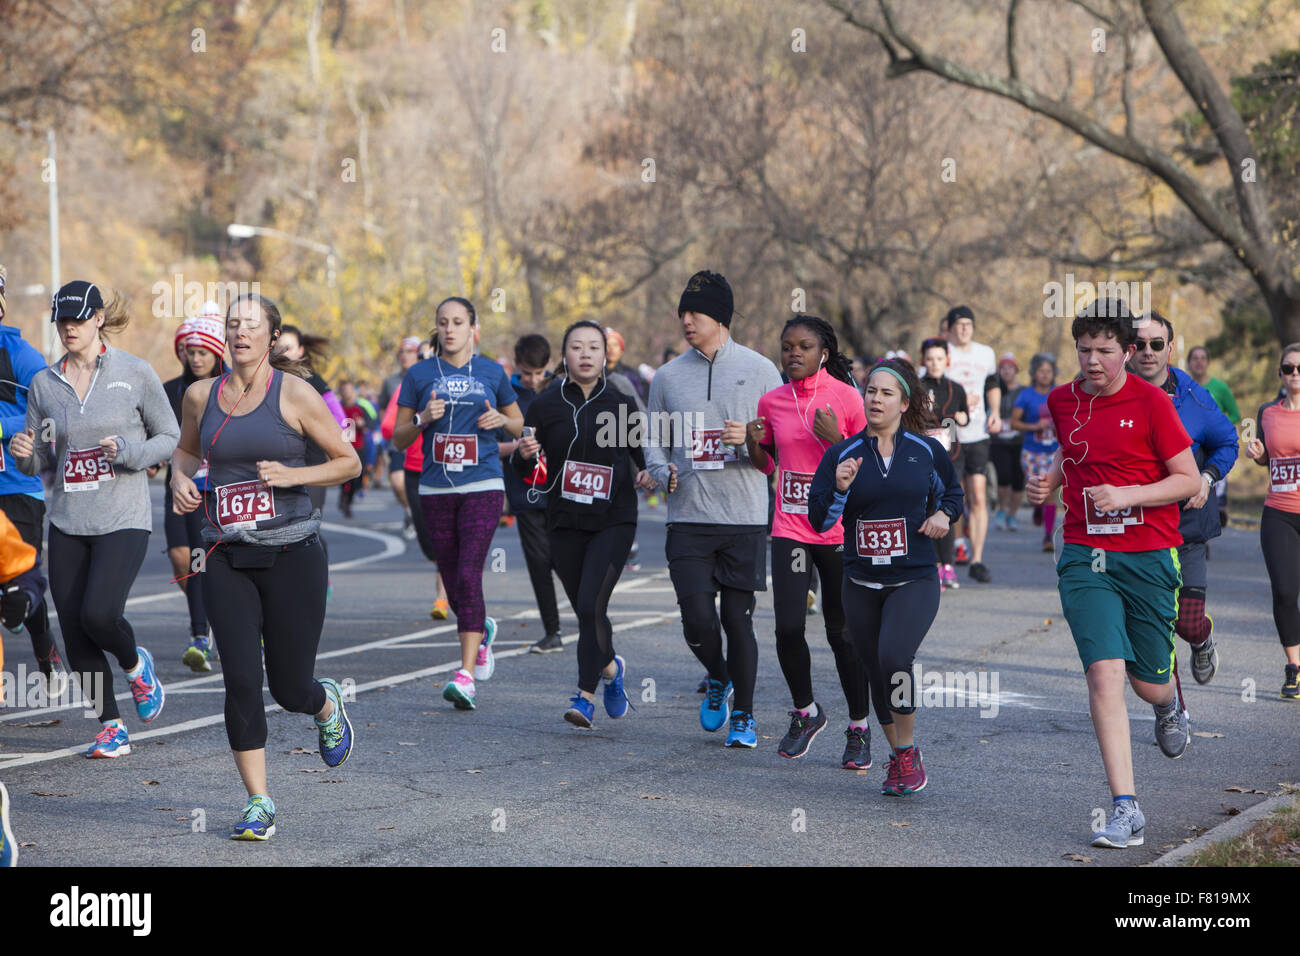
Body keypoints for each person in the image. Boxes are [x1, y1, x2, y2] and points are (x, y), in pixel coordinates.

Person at [170, 292, 359, 840]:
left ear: (272, 337)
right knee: (241, 681)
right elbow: (185, 453)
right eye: (233, 325)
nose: (240, 333)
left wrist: (293, 476)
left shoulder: (296, 393)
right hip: (225, 554)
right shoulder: (201, 396)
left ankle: (324, 705)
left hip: (292, 553)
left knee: (290, 686)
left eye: (252, 326)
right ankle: (259, 801)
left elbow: (349, 461)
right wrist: (182, 479)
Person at [1025, 299, 1201, 849]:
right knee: (1104, 674)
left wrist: (1128, 495)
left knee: (1146, 684)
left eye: (1104, 350)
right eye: (1084, 350)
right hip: (1084, 553)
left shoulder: (1150, 403)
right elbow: (1077, 451)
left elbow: (1188, 480)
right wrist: (1052, 481)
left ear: (1127, 351)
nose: (1093, 361)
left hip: (1148, 552)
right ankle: (1127, 808)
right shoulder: (1062, 399)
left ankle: (1170, 700)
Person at [11, 281, 179, 758]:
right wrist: (24, 453)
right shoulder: (45, 384)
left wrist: (131, 452)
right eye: (62, 320)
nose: (69, 328)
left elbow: (170, 435)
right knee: (74, 627)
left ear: (99, 319)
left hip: (123, 517)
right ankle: (111, 726)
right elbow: (39, 456)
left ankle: (135, 665)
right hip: (67, 520)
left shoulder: (135, 373)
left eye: (78, 319)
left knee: (100, 614)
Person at [807, 359, 963, 795]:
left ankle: (907, 752)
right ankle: (899, 758)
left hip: (913, 577)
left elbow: (953, 494)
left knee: (895, 657)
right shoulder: (842, 454)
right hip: (859, 581)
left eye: (885, 393)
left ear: (903, 403)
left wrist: (942, 515)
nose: (875, 399)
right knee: (875, 669)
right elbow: (818, 522)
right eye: (870, 391)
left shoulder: (925, 450)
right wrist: (838, 489)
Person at [643, 270, 783, 748]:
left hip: (743, 516)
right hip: (687, 516)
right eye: (682, 313)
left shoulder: (762, 370)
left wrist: (749, 438)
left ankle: (743, 715)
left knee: (737, 620)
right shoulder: (666, 376)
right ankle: (718, 675)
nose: (686, 321)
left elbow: (778, 445)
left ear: (720, 318)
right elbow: (653, 442)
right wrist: (663, 474)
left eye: (695, 313)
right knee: (697, 619)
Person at [514, 321, 657, 726]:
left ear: (604, 355)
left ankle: (584, 696)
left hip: (613, 519)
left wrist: (647, 473)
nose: (586, 354)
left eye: (593, 347)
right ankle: (611, 669)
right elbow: (522, 464)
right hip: (564, 521)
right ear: (565, 355)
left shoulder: (620, 401)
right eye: (577, 347)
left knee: (593, 603)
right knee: (585, 609)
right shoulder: (544, 405)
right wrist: (524, 453)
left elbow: (641, 457)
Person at [745, 315, 872, 766]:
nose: (793, 353)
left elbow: (871, 467)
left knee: (842, 632)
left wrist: (837, 441)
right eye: (786, 347)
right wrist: (752, 444)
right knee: (787, 627)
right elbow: (765, 465)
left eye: (803, 346)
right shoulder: (771, 401)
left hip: (837, 531)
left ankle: (859, 726)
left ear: (824, 353)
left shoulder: (847, 398)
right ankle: (806, 711)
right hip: (790, 529)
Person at [392, 296, 524, 711]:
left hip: (483, 481)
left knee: (469, 571)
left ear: (472, 329)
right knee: (451, 577)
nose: (450, 329)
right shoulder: (418, 375)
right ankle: (480, 627)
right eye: (443, 323)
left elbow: (518, 421)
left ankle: (465, 675)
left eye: (458, 322)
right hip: (435, 487)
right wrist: (422, 419)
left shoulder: (492, 372)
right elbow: (398, 438)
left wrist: (503, 422)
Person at [1129, 312, 1237, 686]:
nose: (1147, 352)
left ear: (1170, 349)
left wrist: (1207, 477)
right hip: (1137, 527)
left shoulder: (1193, 397)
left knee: (1187, 622)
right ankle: (1172, 709)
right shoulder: (1112, 392)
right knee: (1158, 624)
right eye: (1139, 344)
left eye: (1156, 344)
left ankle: (1202, 639)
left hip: (1187, 524)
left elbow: (1227, 442)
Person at [0, 262, 59, 693]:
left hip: (16, 490)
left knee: (18, 585)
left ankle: (44, 648)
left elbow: (51, 414)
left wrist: (3, 427)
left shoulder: (18, 355)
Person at [160, 304, 227, 671]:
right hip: (178, 486)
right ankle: (212, 614)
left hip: (213, 490)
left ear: (217, 353)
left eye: (203, 351)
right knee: (181, 560)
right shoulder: (171, 390)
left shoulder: (227, 388)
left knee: (201, 563)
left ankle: (199, 634)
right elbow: (157, 432)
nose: (196, 357)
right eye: (190, 350)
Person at [498, 334, 563, 653]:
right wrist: (517, 446)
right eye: (527, 373)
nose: (534, 380)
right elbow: (488, 447)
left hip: (563, 491)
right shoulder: (505, 396)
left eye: (539, 374)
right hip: (525, 492)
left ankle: (591, 622)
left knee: (566, 560)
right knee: (539, 562)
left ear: (548, 367)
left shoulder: (561, 392)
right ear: (515, 366)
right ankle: (553, 631)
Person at [1244, 342, 1300, 698]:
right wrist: (1259, 455)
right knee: (1283, 591)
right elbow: (1266, 458)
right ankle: (1294, 666)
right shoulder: (1267, 411)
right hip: (1278, 511)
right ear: (1280, 373)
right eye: (1289, 368)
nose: (1295, 374)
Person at [379, 365, 449, 617]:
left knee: (447, 537)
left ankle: (443, 596)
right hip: (416, 467)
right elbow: (388, 428)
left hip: (448, 469)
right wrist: (421, 418)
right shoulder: (407, 387)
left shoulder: (461, 385)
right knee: (429, 543)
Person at [944, 306, 999, 583]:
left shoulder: (985, 353)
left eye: (969, 323)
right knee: (956, 495)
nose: (964, 328)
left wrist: (996, 413)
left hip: (977, 432)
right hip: (950, 435)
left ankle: (977, 558)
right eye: (959, 324)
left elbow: (993, 384)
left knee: (978, 495)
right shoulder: (941, 352)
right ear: (950, 327)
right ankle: (956, 547)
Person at [919, 337, 968, 591]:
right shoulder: (917, 386)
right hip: (925, 456)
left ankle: (947, 565)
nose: (935, 363)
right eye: (930, 359)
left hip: (952, 455)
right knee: (928, 506)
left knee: (947, 506)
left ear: (947, 360)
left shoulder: (956, 388)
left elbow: (965, 416)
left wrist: (961, 416)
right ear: (922, 360)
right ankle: (933, 563)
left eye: (939, 359)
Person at [1012, 353, 1061, 552]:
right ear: (1034, 373)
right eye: (1041, 371)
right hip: (1031, 451)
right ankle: (1037, 508)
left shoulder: (1058, 393)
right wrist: (1034, 426)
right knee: (1036, 492)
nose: (1045, 375)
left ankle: (1048, 536)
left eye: (1049, 371)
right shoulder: (1026, 395)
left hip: (1053, 451)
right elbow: (1014, 422)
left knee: (1049, 492)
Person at [1187, 346, 1240, 526]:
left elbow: (1235, 414)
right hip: (1192, 444)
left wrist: (1217, 423)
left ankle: (1218, 509)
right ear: (1189, 363)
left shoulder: (1219, 387)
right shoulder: (1182, 386)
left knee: (1211, 478)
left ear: (1208, 362)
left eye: (1203, 358)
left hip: (1214, 442)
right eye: (1195, 358)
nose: (1199, 362)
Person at [380, 337, 423, 537]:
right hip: (398, 438)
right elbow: (383, 409)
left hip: (420, 439)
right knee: (397, 482)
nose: (405, 355)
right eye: (402, 352)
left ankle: (419, 514)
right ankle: (411, 510)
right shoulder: (391, 382)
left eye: (410, 351)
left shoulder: (427, 377)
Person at [990, 354, 1024, 531]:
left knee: (1018, 479)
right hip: (998, 440)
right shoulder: (993, 391)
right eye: (1003, 368)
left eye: (1010, 368)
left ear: (1016, 370)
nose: (1007, 371)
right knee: (1004, 476)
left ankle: (1012, 515)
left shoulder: (1022, 391)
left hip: (1019, 440)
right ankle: (1001, 510)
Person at [604, 327, 649, 405]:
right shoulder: (597, 376)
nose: (611, 349)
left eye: (615, 345)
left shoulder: (632, 375)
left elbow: (643, 400)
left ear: (621, 350)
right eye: (608, 345)